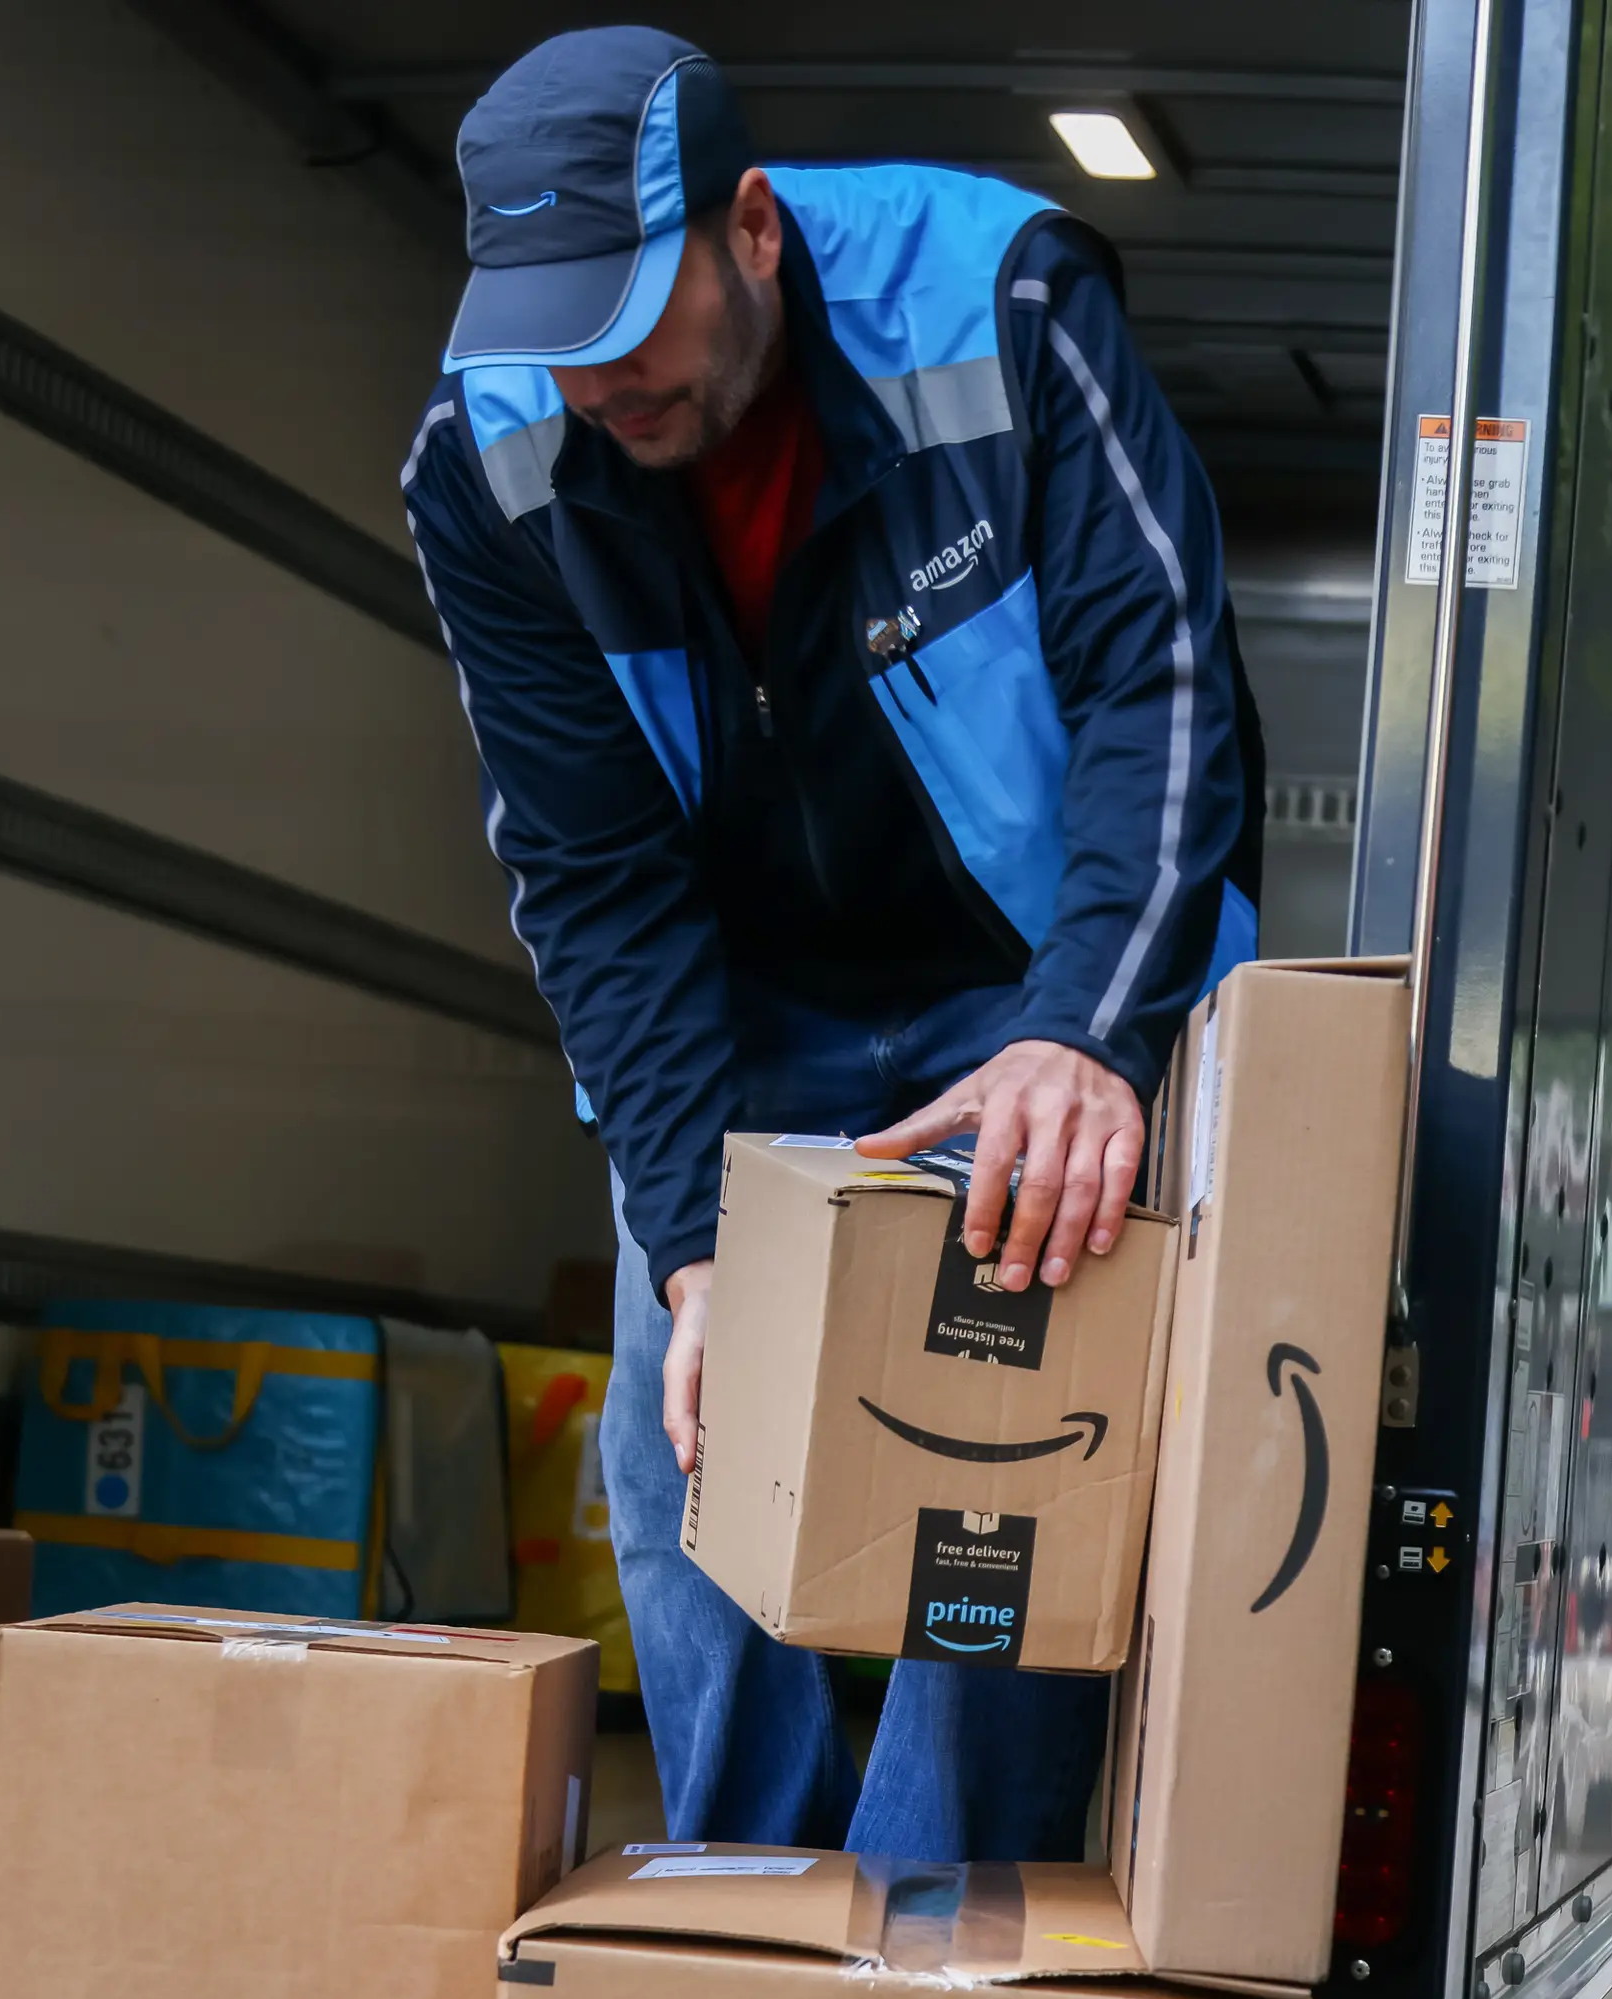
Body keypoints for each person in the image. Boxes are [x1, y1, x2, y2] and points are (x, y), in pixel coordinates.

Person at [401, 30, 1262, 1859]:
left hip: (1026, 989)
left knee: (1002, 1437)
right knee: (672, 1435)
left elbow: (1163, 686)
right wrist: (694, 1246)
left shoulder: (1001, 304)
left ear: (756, 230)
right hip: (757, 1007)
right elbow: (589, 873)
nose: (602, 380)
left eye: (637, 317)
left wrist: (1090, 1036)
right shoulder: (489, 459)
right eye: (556, 333)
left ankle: (930, 1931)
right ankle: (739, 1909)